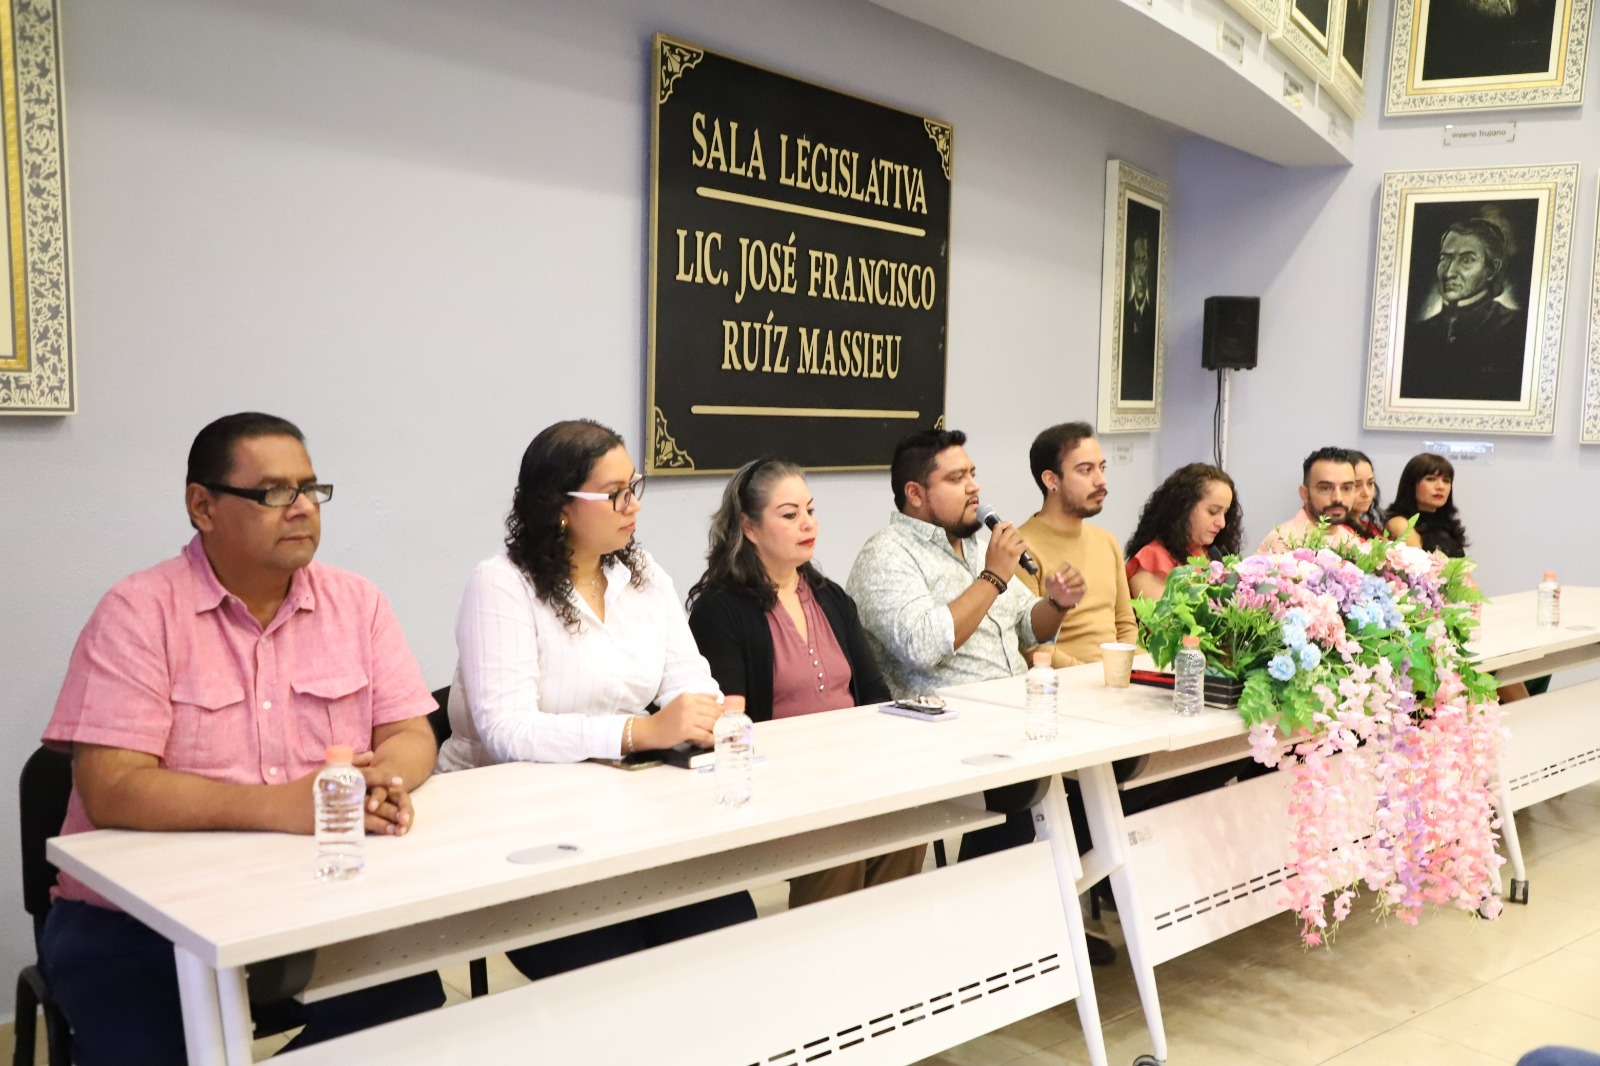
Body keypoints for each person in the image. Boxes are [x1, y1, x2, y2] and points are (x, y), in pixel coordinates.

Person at [39, 413, 445, 1066]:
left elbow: (410, 732)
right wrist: (284, 805)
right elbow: (111, 788)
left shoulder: (357, 603)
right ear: (203, 506)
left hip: (313, 900)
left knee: (409, 1013)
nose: (303, 509)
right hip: (137, 923)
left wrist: (379, 783)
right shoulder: (138, 613)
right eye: (274, 493)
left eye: (311, 490)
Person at [438, 418, 755, 978]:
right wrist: (639, 733)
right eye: (614, 495)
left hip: (626, 815)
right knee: (614, 970)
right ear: (559, 505)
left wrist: (712, 713)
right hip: (517, 831)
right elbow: (507, 731)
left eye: (635, 487)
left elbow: (687, 676)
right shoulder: (502, 584)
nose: (633, 505)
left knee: (728, 927)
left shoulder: (642, 573)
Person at [687, 457, 920, 907]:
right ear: (750, 528)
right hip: (780, 783)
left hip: (851, 770)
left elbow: (874, 696)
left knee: (908, 824)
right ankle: (826, 961)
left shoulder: (831, 598)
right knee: (840, 840)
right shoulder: (721, 609)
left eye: (810, 511)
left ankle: (885, 953)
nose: (807, 524)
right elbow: (730, 726)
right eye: (790, 515)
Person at [846, 427, 1086, 698]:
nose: (974, 486)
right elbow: (921, 647)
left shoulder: (979, 549)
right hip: (944, 724)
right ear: (915, 494)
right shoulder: (887, 554)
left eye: (972, 474)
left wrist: (1056, 602)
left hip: (1016, 706)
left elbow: (1030, 629)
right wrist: (993, 577)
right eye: (956, 478)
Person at [1016, 423, 1138, 662]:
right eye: (1085, 470)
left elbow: (1125, 625)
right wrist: (1092, 676)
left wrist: (1125, 670)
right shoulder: (1020, 548)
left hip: (1114, 679)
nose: (1101, 480)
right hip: (1064, 686)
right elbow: (1030, 645)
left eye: (1102, 468)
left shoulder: (1107, 540)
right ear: (1051, 480)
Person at [1400, 218, 1528, 403]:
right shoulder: (1418, 333)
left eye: (1466, 260)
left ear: (1492, 269)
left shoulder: (1516, 328)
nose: (1449, 272)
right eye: (1445, 259)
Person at [1124, 463, 1243, 601]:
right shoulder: (1153, 558)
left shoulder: (1212, 554)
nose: (1222, 523)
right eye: (1213, 512)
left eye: (1225, 513)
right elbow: (1161, 621)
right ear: (1184, 508)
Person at [1257, 446, 1362, 553]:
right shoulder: (1281, 541)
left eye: (1346, 488)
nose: (1338, 498)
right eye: (1326, 488)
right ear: (1305, 493)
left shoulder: (1351, 543)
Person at [1384, 452, 1468, 557]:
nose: (1440, 486)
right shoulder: (1400, 523)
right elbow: (1420, 570)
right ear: (1411, 484)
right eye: (1431, 479)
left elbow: (1465, 571)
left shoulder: (1449, 526)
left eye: (1446, 481)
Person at [1345, 449, 1384, 540]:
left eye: (1370, 483)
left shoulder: (1371, 527)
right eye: (1356, 485)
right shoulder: (1339, 533)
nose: (1366, 493)